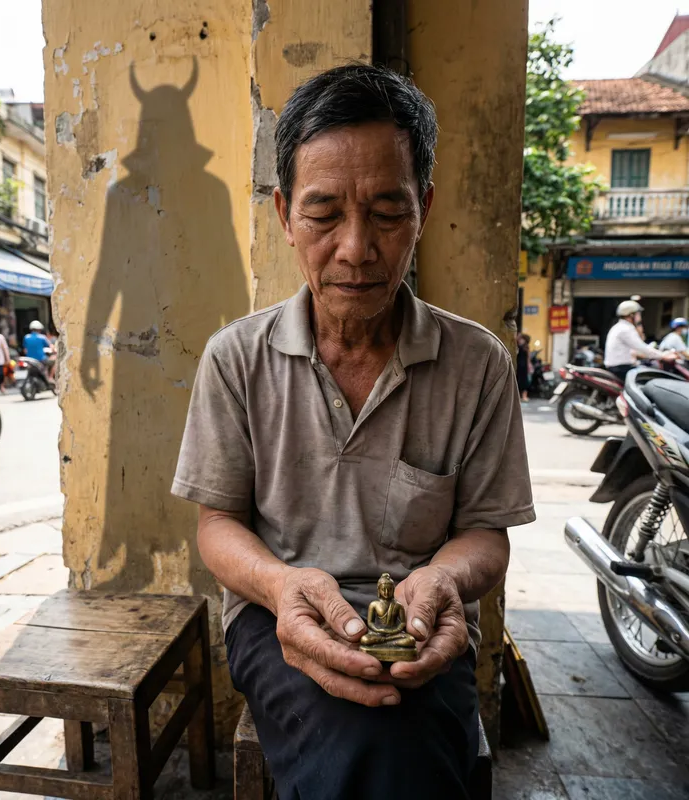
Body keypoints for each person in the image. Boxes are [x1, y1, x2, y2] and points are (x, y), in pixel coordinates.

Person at [172, 64, 535, 800]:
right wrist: (279, 584)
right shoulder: (236, 359)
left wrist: (442, 580)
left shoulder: (477, 364)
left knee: (407, 739)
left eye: (387, 211)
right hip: (280, 616)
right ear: (283, 214)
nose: (356, 247)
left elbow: (486, 535)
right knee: (371, 744)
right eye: (324, 213)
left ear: (424, 207)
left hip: (427, 625)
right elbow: (218, 526)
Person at [605, 300, 677, 382]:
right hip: (621, 368)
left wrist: (658, 354)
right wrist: (663, 356)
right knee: (654, 378)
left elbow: (635, 351)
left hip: (618, 367)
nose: (640, 317)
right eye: (638, 314)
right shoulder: (626, 329)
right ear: (631, 315)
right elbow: (642, 348)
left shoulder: (619, 327)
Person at [516, 332, 531, 402]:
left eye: (522, 339)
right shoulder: (517, 346)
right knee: (518, 380)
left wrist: (529, 366)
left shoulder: (526, 347)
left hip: (524, 366)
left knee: (524, 381)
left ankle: (524, 396)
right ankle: (518, 396)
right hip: (518, 365)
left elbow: (528, 357)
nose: (520, 340)